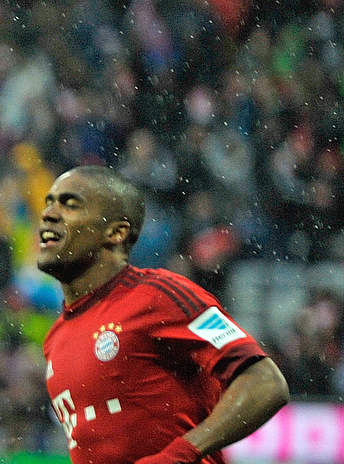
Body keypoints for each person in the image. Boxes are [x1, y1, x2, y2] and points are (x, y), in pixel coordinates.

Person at [37, 166, 289, 464]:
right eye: (49, 202)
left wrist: (180, 455)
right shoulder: (55, 338)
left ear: (116, 232)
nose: (49, 214)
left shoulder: (158, 296)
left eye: (70, 204)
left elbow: (266, 383)